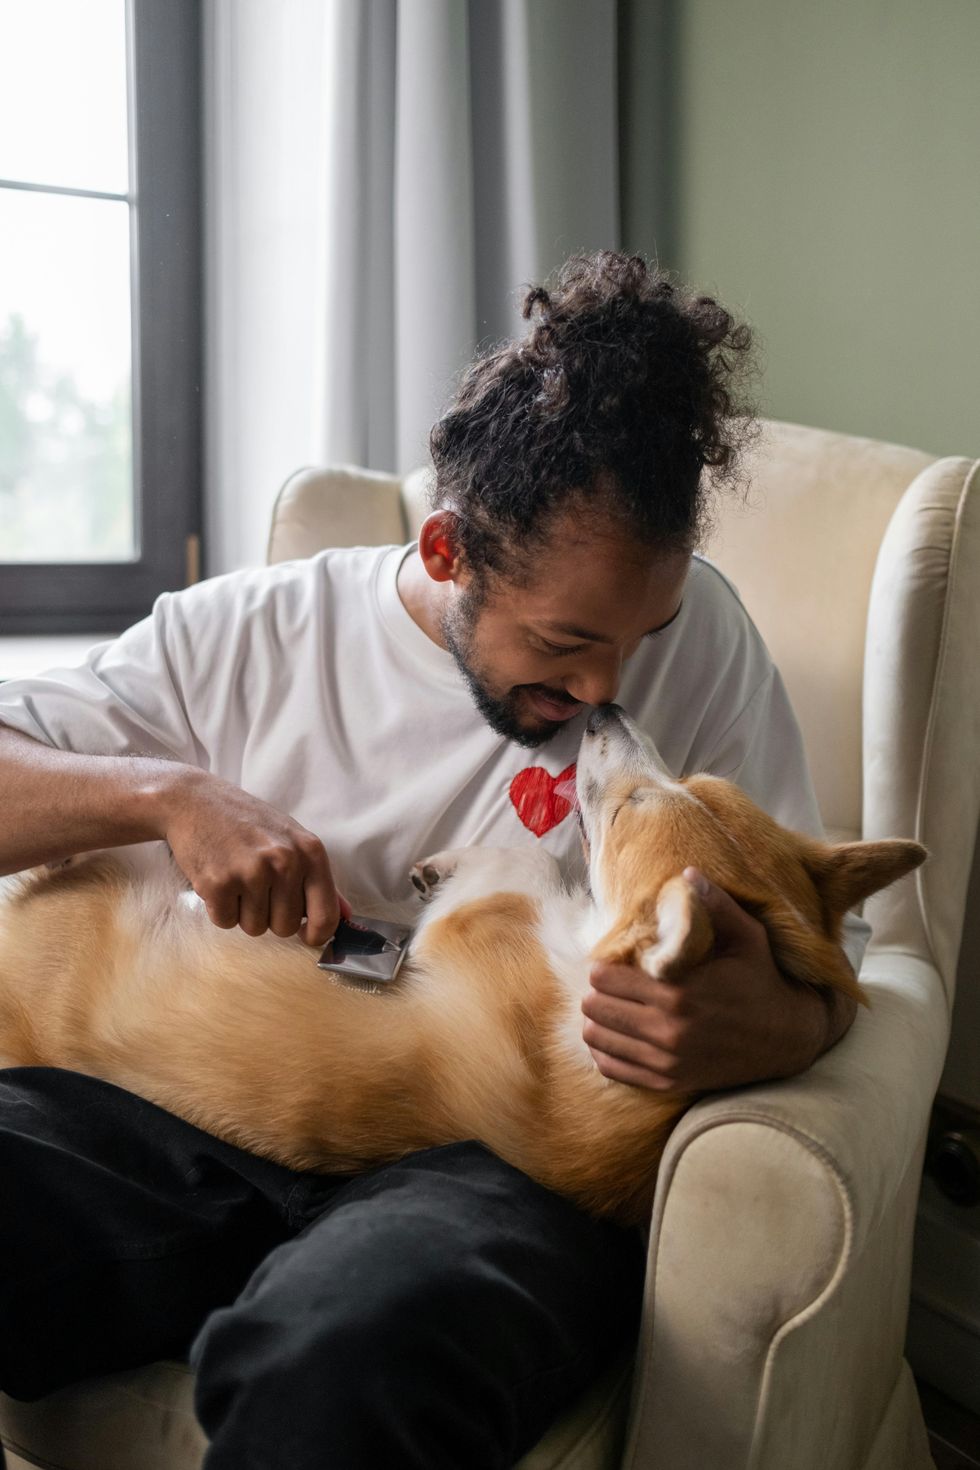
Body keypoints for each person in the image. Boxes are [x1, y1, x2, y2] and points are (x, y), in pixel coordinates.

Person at [0, 252, 865, 1469]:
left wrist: (766, 1030)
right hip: (178, 1107)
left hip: (484, 1170)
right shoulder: (245, 633)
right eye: (564, 643)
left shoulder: (703, 637)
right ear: (450, 551)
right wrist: (169, 796)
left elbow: (836, 957)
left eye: (639, 636)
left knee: (341, 1360)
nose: (605, 695)